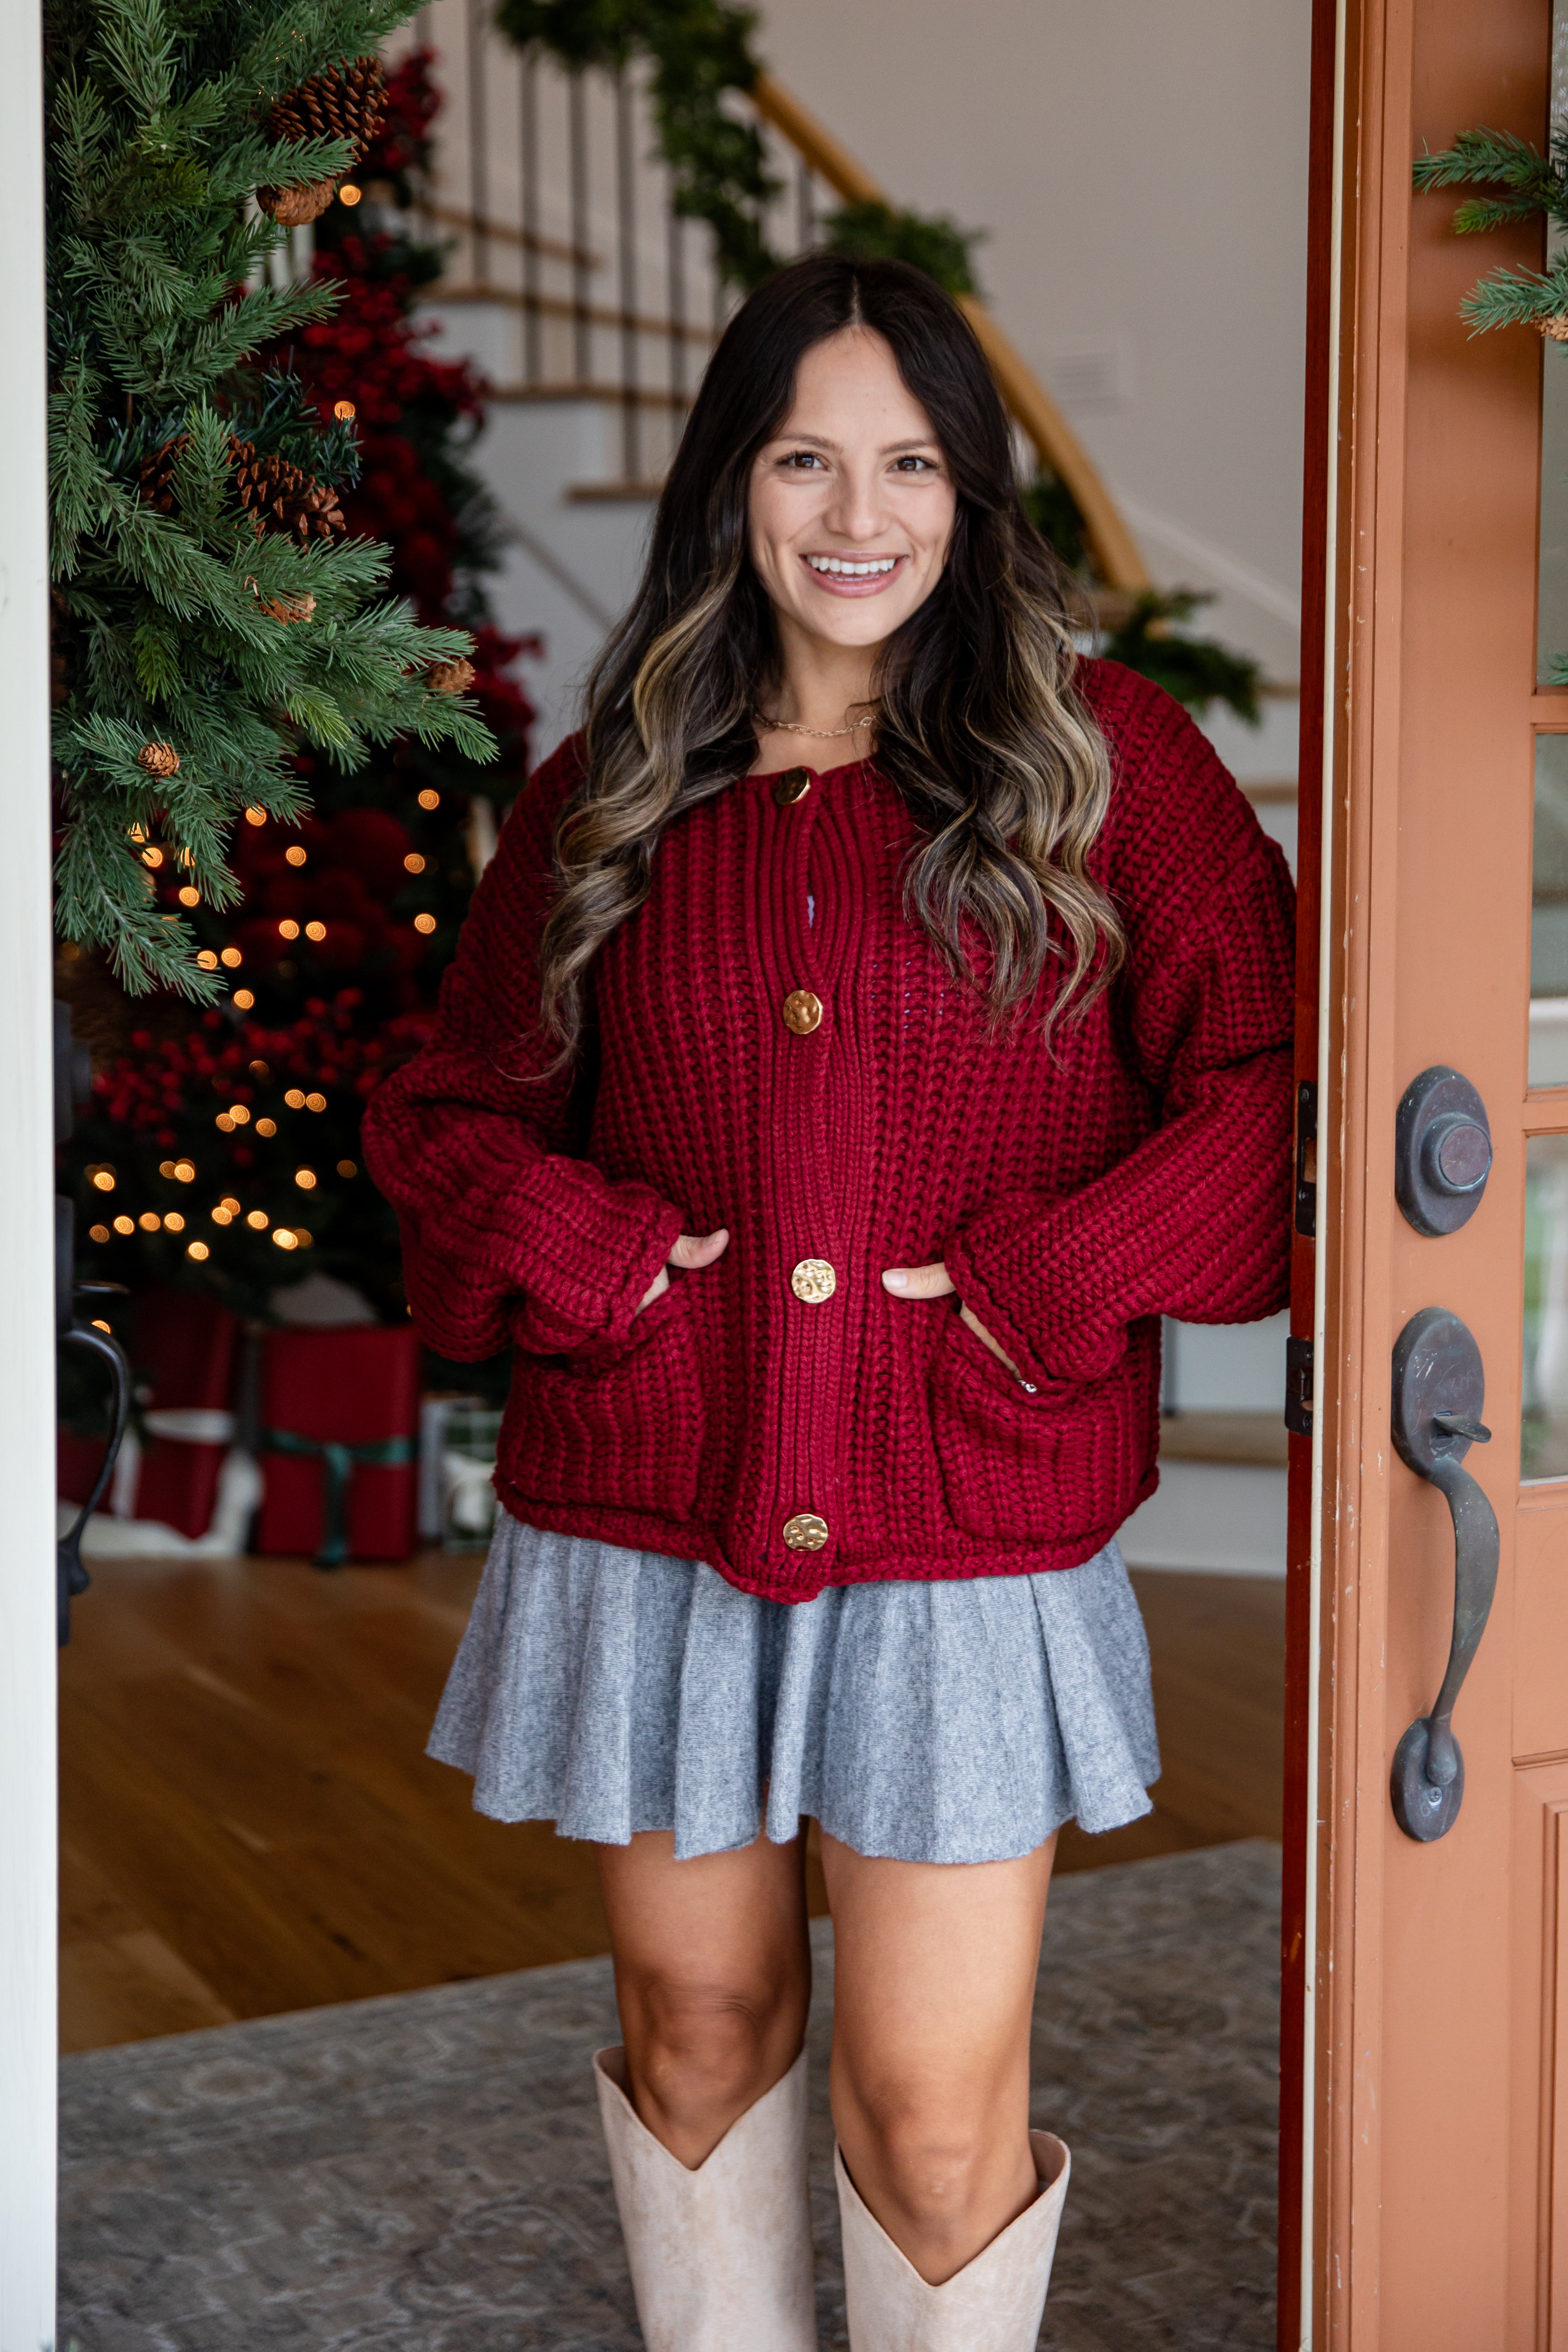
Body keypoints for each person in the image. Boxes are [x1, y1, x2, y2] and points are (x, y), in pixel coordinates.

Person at [363, 252, 1294, 2351]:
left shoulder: (1104, 760)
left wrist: (1065, 1281)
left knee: (935, 2114)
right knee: (697, 2024)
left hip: (960, 1508)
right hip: (655, 1489)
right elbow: (439, 1103)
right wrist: (587, 1257)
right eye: (804, 457)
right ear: (734, 486)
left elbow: (1266, 1078)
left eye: (909, 463)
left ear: (970, 496)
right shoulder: (617, 782)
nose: (855, 514)